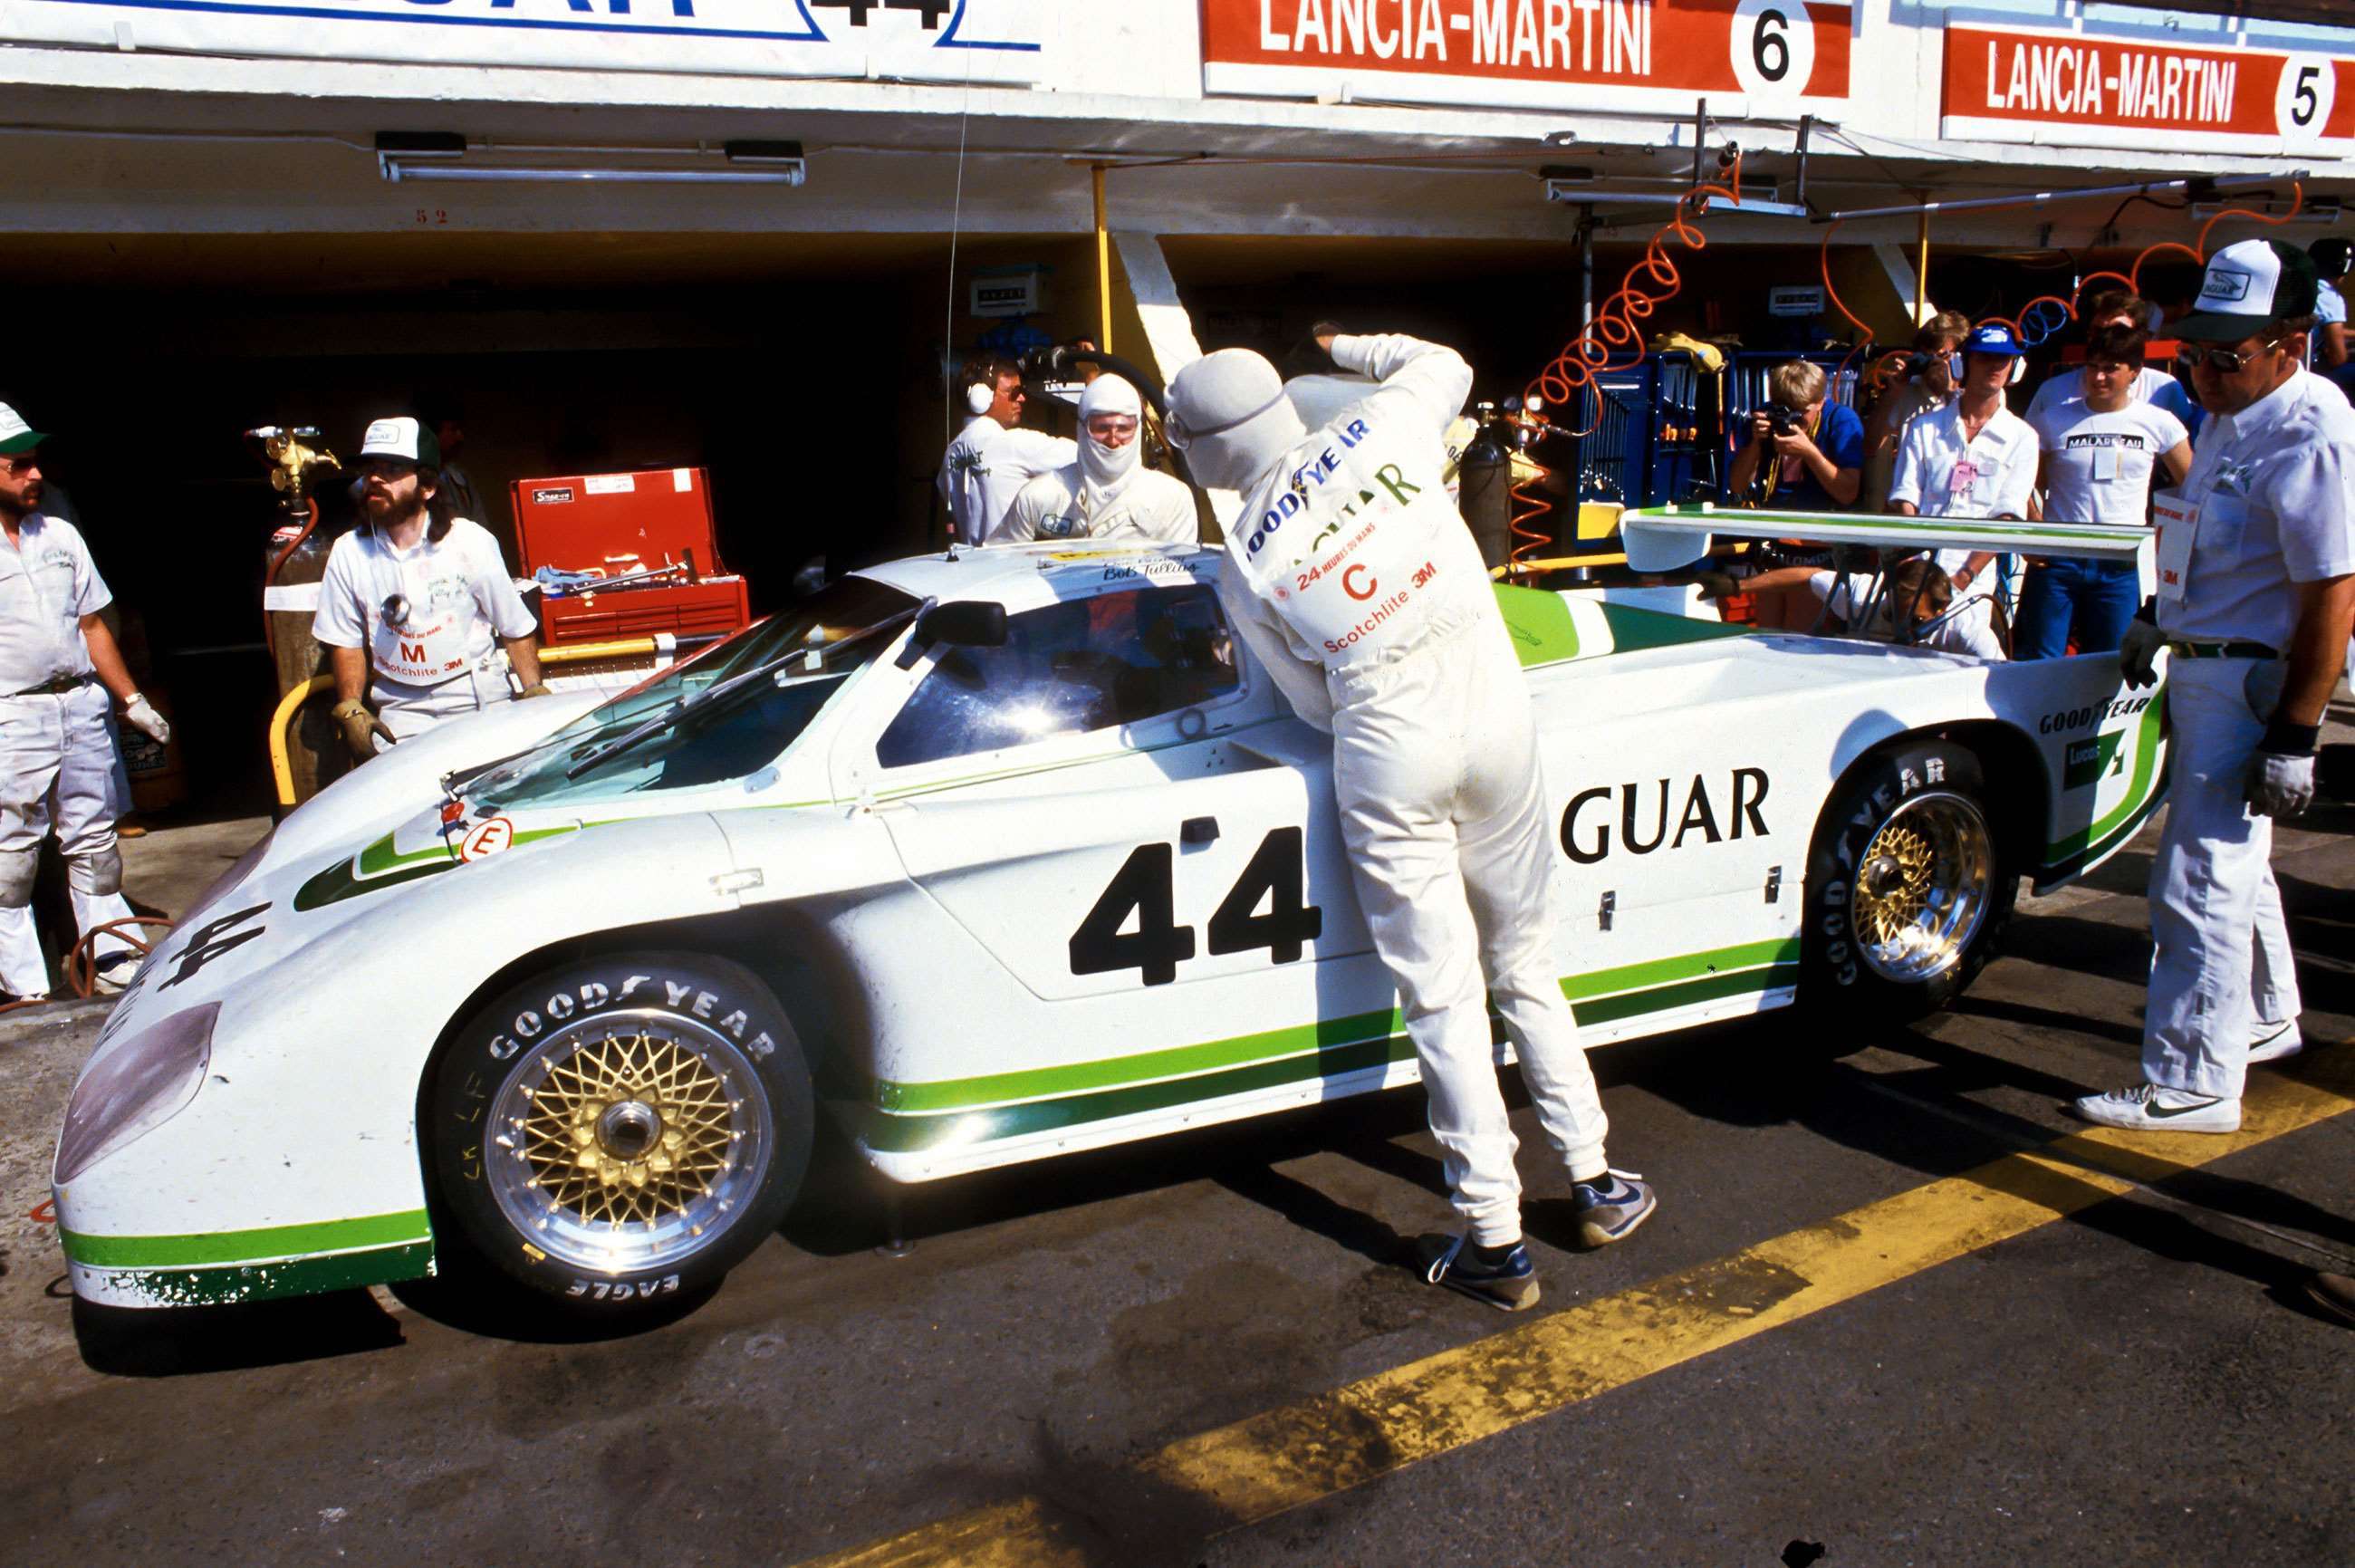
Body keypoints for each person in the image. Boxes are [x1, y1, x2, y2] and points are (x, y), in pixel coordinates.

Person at [1165, 329, 1653, 1313]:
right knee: (1523, 961)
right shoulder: (1381, 426)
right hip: (1495, 715)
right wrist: (1350, 342)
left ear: (1205, 454)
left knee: (1438, 1001)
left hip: (1386, 743)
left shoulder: (1240, 564)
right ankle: (1596, 1180)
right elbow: (1450, 364)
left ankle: (1495, 1241)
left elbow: (1308, 703)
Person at [2074, 238, 2355, 1133]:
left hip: (2246, 681)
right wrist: (2157, 616)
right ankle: (2263, 1016)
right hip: (2202, 661)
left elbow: (2331, 592)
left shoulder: (2310, 429)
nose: (2201, 370)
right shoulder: (2231, 417)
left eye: (2224, 355)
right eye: (2193, 351)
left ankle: (2192, 1080)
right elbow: (2201, 544)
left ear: (2290, 342)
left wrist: (2296, 737)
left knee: (2197, 878)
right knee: (2236, 868)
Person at [0, 402, 168, 1001]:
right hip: (11, 713)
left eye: (35, 462)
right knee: (11, 857)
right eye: (18, 465)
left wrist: (130, 698)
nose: (34, 475)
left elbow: (93, 624)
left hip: (78, 706)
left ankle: (111, 954)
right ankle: (23, 982)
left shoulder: (61, 534)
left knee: (95, 842)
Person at [312, 416, 549, 760]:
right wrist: (352, 706)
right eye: (370, 470)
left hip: (478, 705)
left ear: (427, 487)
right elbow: (345, 641)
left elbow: (515, 628)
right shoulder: (349, 551)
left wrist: (533, 691)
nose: (375, 479)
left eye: (392, 470)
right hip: (400, 717)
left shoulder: (469, 541)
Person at [2017, 322, 2192, 658]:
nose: (2098, 378)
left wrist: (2164, 538)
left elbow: (2191, 486)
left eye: (2111, 369)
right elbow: (2022, 482)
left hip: (2121, 561)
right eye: (2092, 367)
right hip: (2060, 559)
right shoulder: (2052, 419)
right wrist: (2033, 526)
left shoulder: (2158, 421)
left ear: (2134, 373)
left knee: (2113, 660)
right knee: (2041, 660)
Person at [1889, 322, 2039, 637]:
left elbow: (2007, 518)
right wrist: (1916, 568)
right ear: (1963, 363)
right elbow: (1905, 499)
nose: (1995, 366)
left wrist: (1964, 577)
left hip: (1974, 585)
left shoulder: (2023, 437)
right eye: (1985, 357)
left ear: (2016, 367)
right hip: (1917, 575)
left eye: (2004, 359)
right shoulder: (1922, 428)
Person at [990, 375, 1197, 545]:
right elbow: (1001, 565)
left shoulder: (1172, 498)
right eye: (1101, 428)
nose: (1113, 440)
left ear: (1138, 428)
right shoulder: (1038, 497)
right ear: (1081, 428)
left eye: (1124, 428)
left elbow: (1181, 581)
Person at [938, 356, 1077, 548]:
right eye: (1013, 392)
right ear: (982, 398)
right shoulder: (1013, 443)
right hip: (1011, 566)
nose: (1022, 398)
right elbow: (1091, 456)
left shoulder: (951, 454)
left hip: (972, 568)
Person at [1860, 311, 1970, 512]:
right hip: (1911, 505)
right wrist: (1893, 394)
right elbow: (1870, 447)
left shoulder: (1974, 398)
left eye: (1942, 356)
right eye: (1928, 356)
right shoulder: (1907, 393)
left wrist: (1950, 391)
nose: (1933, 364)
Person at [1727, 360, 1864, 510]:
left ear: (1820, 402)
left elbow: (1848, 495)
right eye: (1787, 411)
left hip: (1825, 519)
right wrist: (1755, 444)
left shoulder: (1841, 420)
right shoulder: (1766, 415)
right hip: (1773, 515)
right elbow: (1737, 486)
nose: (1793, 419)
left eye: (1800, 412)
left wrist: (1810, 453)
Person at [418, 396, 484, 525]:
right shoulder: (412, 479)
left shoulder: (460, 479)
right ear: (432, 435)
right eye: (453, 430)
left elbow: (481, 525)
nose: (460, 437)